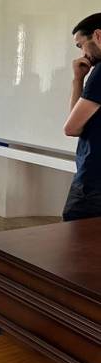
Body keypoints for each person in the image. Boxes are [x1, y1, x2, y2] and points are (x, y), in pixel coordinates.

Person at [63, 13, 101, 221]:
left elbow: (72, 128)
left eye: (80, 45)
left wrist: (77, 80)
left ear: (97, 35)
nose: (82, 54)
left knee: (75, 248)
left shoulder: (100, 73)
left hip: (93, 183)